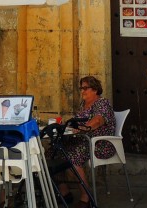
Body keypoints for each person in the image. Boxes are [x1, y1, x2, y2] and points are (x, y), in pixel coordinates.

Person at [57, 76, 117, 206]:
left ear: (95, 90)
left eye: (85, 88)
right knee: (54, 152)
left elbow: (98, 120)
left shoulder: (101, 103)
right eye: (81, 88)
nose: (82, 91)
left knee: (71, 156)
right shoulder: (83, 105)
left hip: (100, 143)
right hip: (83, 141)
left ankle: (86, 196)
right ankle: (64, 192)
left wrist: (84, 128)